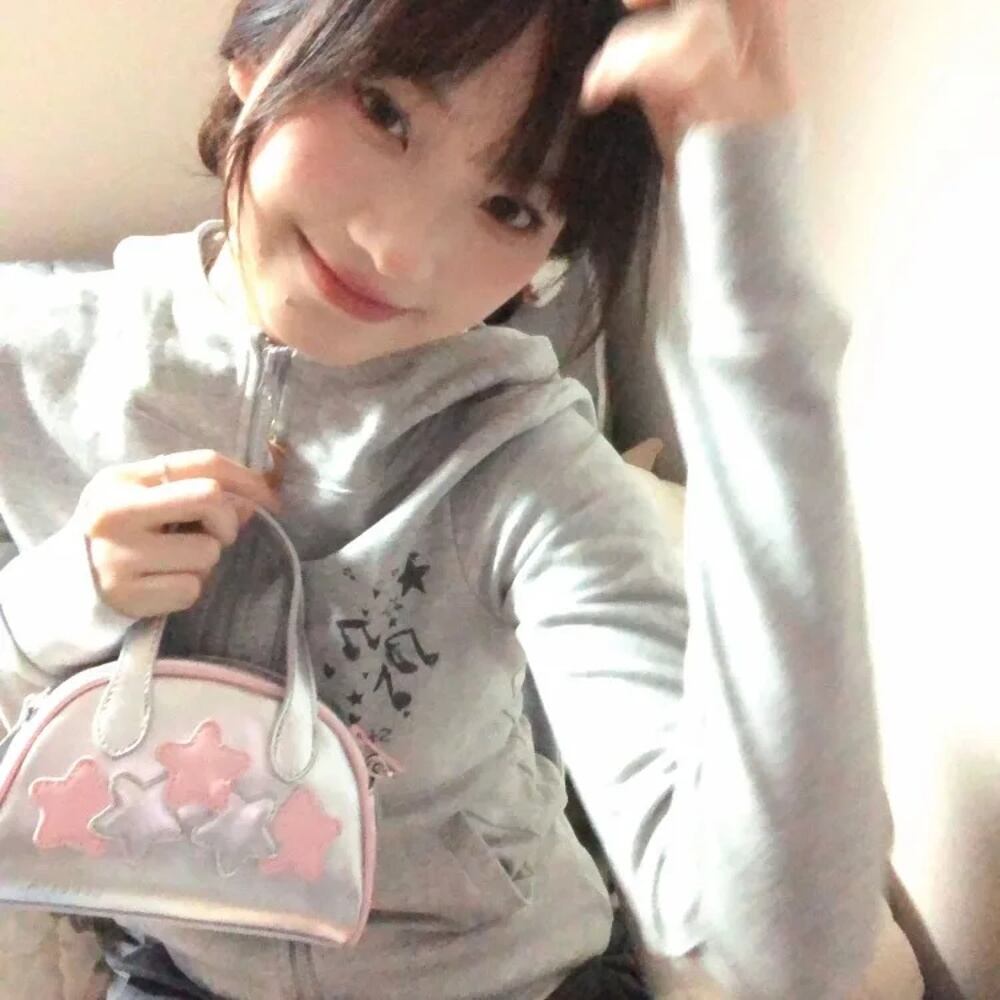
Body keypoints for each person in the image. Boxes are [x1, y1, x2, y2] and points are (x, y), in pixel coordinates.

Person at [0, 0, 889, 997]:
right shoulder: (33, 360)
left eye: (511, 208)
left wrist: (751, 282)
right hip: (190, 973)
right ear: (256, 51)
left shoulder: (522, 459)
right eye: (384, 111)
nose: (399, 251)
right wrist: (55, 600)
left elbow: (785, 946)